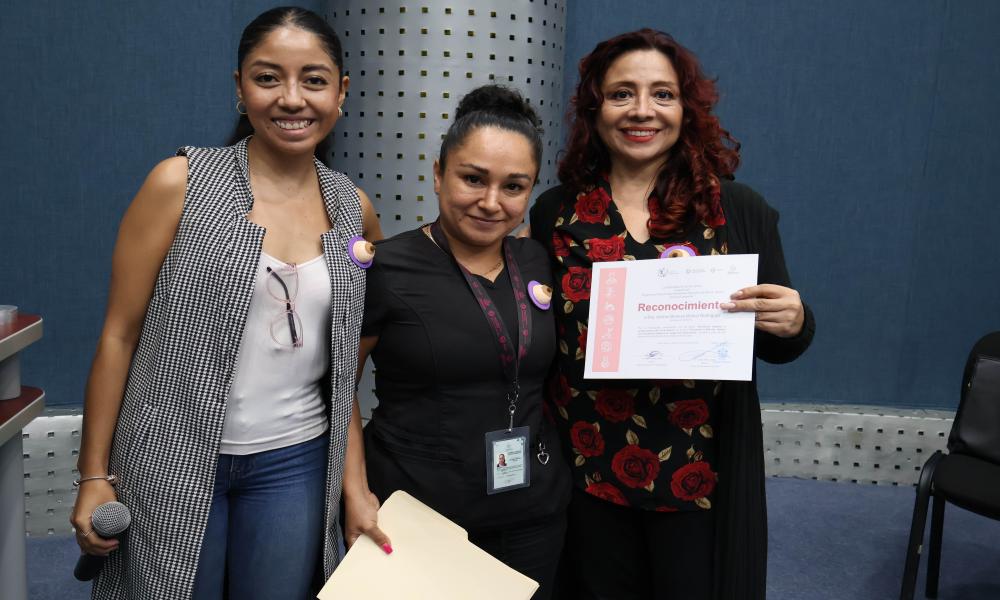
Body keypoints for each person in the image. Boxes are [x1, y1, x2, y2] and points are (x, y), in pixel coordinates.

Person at [69, 7, 381, 599]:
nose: (292, 98)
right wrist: (92, 475)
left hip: (295, 460)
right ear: (240, 87)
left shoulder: (353, 209)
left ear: (340, 92)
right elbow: (118, 335)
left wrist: (356, 487)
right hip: (171, 449)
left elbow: (346, 368)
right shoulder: (181, 183)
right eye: (268, 78)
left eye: (314, 80)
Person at [529, 29, 815, 600]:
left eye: (662, 94)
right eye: (622, 94)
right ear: (595, 108)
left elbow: (778, 340)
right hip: (586, 465)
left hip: (696, 474)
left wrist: (796, 322)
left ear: (687, 109)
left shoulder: (735, 209)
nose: (642, 110)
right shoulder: (555, 213)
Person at [343, 85, 571, 600]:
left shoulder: (538, 261)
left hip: (532, 514)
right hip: (417, 514)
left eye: (513, 186)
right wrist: (355, 492)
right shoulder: (386, 268)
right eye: (473, 179)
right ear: (438, 173)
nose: (491, 202)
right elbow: (338, 389)